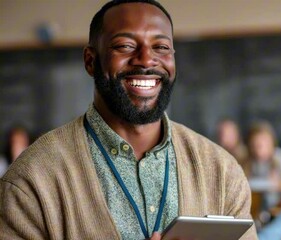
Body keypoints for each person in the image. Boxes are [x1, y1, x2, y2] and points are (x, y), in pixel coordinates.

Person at [0, 1, 256, 240]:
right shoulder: (32, 179)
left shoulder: (221, 171)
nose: (146, 59)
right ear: (91, 61)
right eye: (125, 46)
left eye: (161, 47)